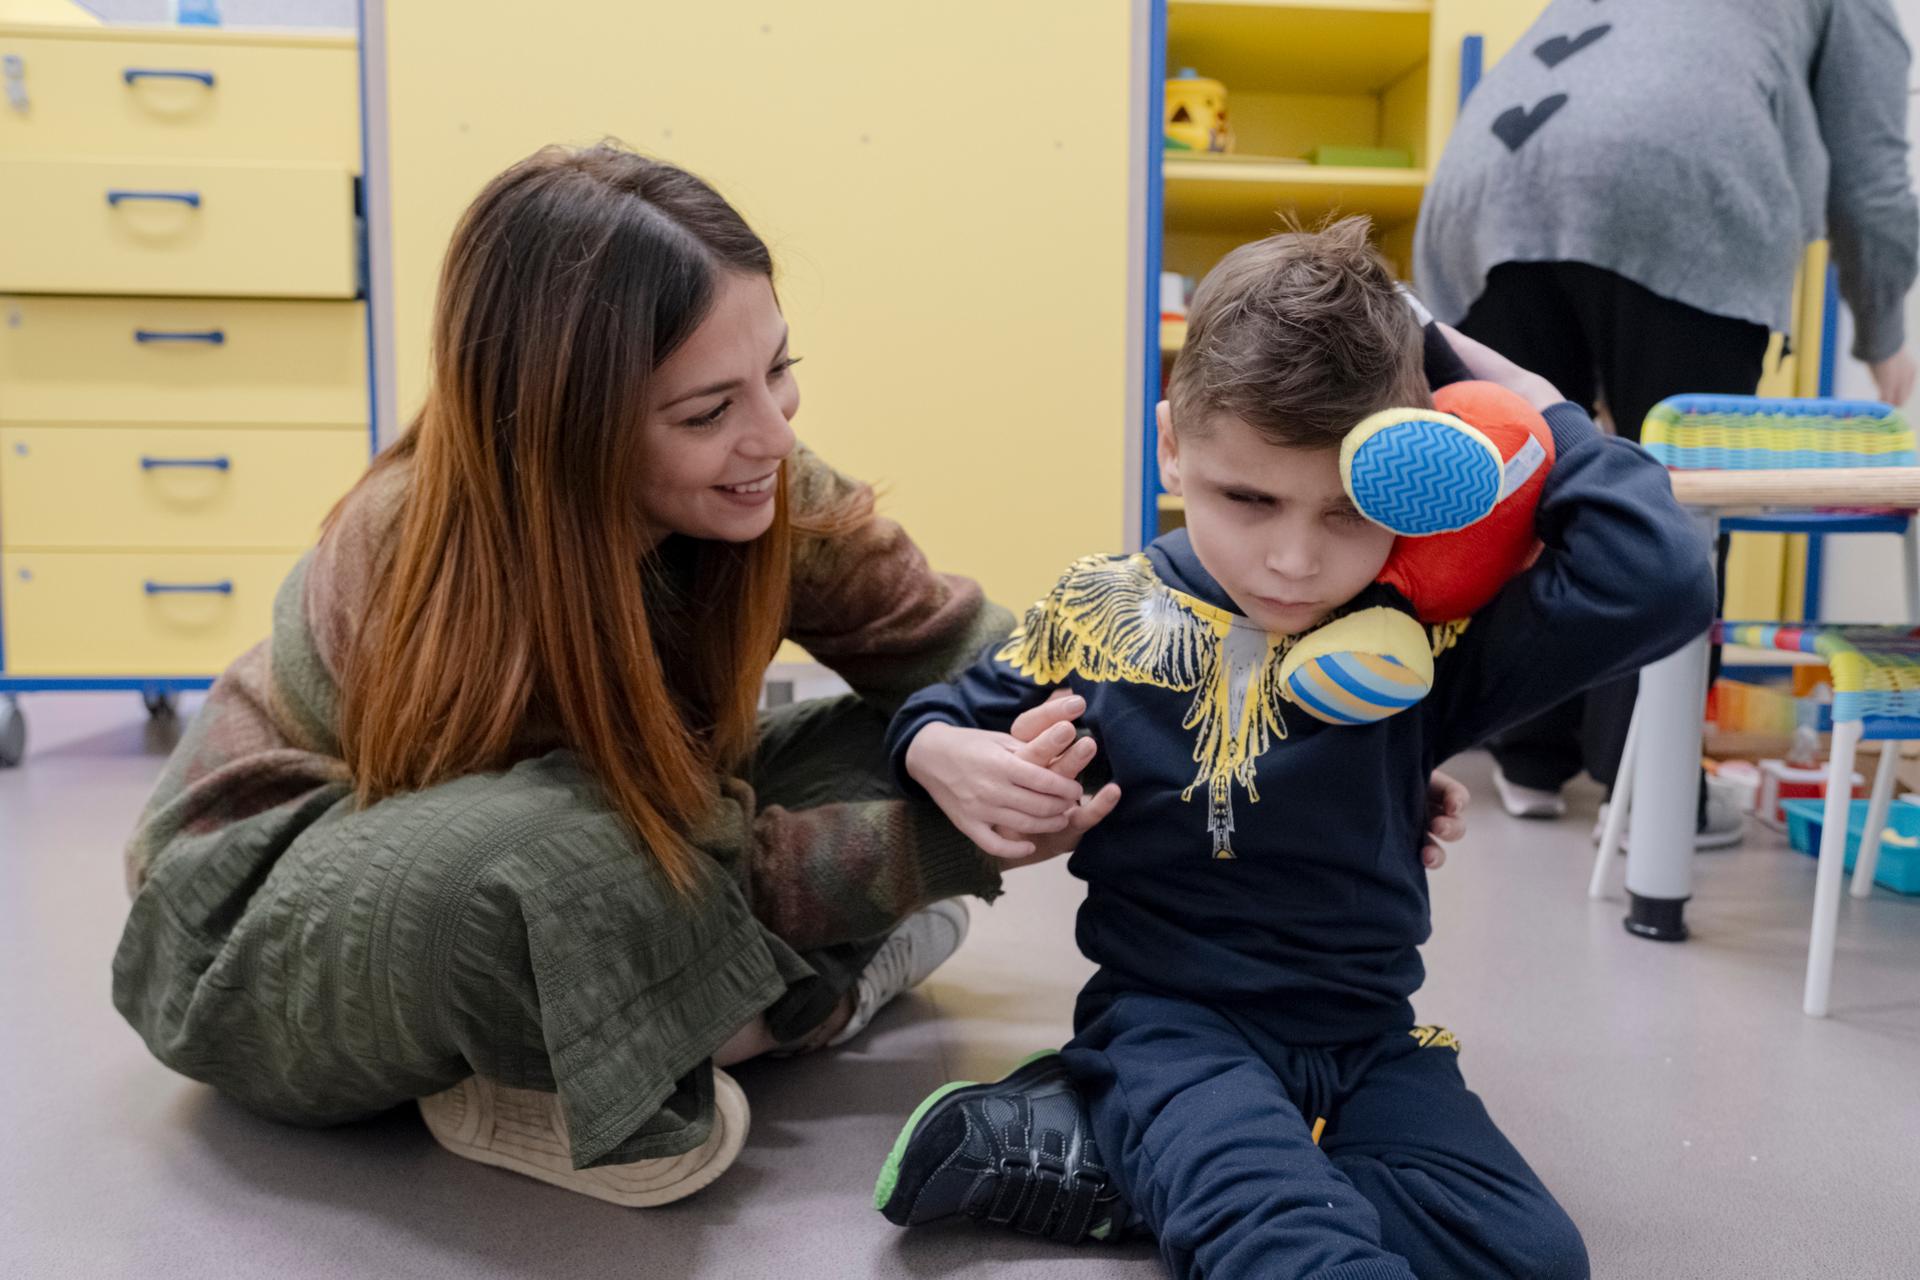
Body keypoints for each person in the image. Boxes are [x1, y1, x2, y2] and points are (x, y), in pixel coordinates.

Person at [109, 143, 1099, 1207]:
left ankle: (645, 1043)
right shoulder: (426, 561)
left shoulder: (761, 482)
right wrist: (943, 840)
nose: (771, 432)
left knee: (898, 743)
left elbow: (967, 645)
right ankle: (796, 1006)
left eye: (776, 369)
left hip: (630, 851)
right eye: (707, 411)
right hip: (272, 910)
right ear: (567, 434)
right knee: (553, 875)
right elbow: (637, 867)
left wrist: (978, 739)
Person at [872, 220, 1714, 1278]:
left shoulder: (1427, 640)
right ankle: (1155, 1136)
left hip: (1368, 1032)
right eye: (1248, 497)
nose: (1293, 559)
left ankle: (1115, 1159)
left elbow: (1664, 575)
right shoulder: (1102, 608)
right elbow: (944, 706)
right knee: (1293, 1246)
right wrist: (940, 746)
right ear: (1173, 444)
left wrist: (1510, 385)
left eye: (1350, 511)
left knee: (1532, 1256)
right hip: (1172, 1026)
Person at [1413, 0, 1920, 841]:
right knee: (1674, 498)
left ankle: (1529, 754)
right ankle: (1650, 797)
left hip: (1486, 183)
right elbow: (1873, 179)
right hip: (1682, 174)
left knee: (1517, 481)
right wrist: (1884, 338)